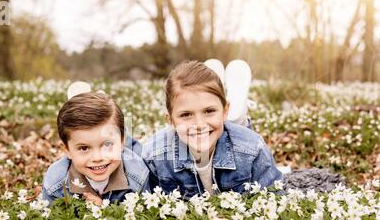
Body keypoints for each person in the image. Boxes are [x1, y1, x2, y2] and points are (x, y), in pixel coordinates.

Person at [142, 60, 282, 199]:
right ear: (170, 120)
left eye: (209, 111)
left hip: (234, 138)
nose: (199, 124)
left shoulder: (252, 148)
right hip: (216, 131)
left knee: (239, 133)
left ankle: (239, 115)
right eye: (186, 114)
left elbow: (275, 196)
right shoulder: (154, 156)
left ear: (225, 110)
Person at [41, 85, 150, 205]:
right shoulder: (55, 183)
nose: (97, 158)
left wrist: (104, 211)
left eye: (107, 144)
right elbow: (50, 219)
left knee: (138, 151)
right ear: (67, 150)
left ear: (122, 141)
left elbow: (143, 216)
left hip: (127, 152)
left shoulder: (138, 176)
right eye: (84, 148)